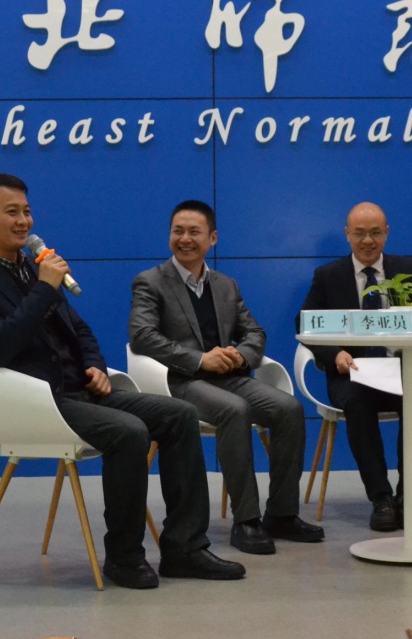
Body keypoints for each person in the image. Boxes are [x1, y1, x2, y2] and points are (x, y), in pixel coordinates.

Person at [0, 174, 245, 590]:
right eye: (12, 212)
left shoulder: (34, 270)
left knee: (179, 415)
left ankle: (185, 549)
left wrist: (96, 366)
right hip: (37, 403)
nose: (24, 221)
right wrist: (44, 290)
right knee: (129, 432)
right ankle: (124, 557)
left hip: (80, 392)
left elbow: (80, 330)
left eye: (27, 211)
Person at [130, 200, 324, 556]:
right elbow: (142, 335)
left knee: (289, 409)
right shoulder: (151, 281)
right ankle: (246, 520)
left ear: (213, 238)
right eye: (177, 231)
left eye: (194, 232)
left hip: (228, 377)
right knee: (235, 410)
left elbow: (255, 332)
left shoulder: (225, 285)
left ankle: (281, 514)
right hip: (180, 382)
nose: (185, 239)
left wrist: (241, 355)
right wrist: (200, 359)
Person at [298, 201, 412, 532]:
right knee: (358, 401)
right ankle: (381, 498)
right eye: (359, 233)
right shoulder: (328, 276)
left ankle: (407, 495)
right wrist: (334, 355)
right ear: (347, 235)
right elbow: (304, 323)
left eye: (375, 233)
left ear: (386, 233)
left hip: (398, 371)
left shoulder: (407, 269)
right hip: (352, 373)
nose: (367, 241)